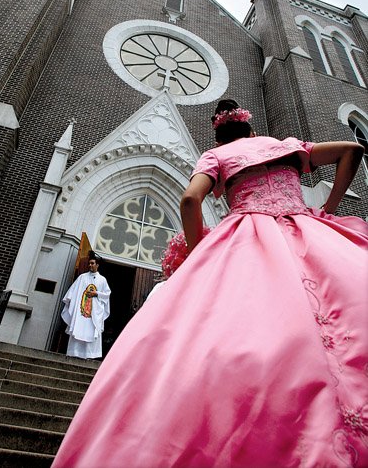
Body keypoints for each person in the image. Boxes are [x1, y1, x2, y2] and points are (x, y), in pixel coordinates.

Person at [53, 100, 368, 467]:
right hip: (309, 231)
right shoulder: (282, 145)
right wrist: (327, 207)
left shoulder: (216, 157)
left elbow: (189, 200)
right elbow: (353, 150)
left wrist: (197, 249)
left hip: (249, 237)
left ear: (218, 139)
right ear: (251, 131)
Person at [61, 251, 111, 360]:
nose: (90, 265)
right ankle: (74, 352)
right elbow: (72, 293)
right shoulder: (82, 278)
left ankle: (89, 355)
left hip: (93, 313)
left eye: (92, 263)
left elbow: (107, 294)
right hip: (81, 312)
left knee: (91, 332)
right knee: (78, 328)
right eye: (89, 263)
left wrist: (96, 293)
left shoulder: (102, 280)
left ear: (97, 265)